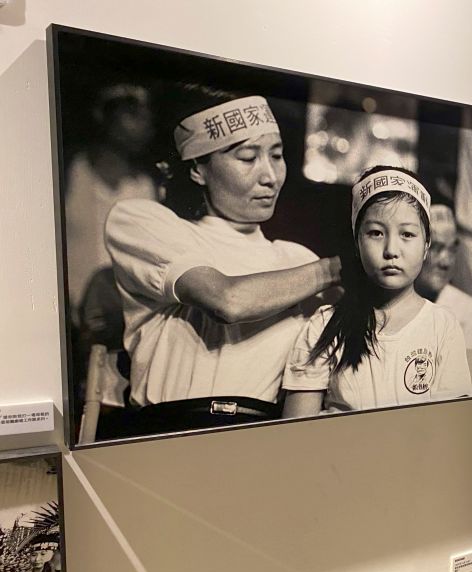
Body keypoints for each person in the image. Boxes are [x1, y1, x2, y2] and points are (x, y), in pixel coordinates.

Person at [105, 87, 343, 436]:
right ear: (198, 169)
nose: (270, 176)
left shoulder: (296, 260)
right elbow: (227, 300)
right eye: (248, 158)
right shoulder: (143, 222)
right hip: (164, 436)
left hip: (259, 439)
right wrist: (337, 269)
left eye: (276, 156)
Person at [282, 166, 472, 414]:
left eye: (407, 234)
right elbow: (297, 437)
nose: (391, 249)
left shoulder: (443, 327)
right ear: (356, 241)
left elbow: (451, 426)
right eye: (376, 233)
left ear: (426, 246)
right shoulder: (323, 327)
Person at [66, 83, 158, 351]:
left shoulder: (144, 186)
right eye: (131, 113)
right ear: (102, 115)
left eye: (146, 116)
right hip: (63, 326)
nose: (143, 123)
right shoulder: (70, 172)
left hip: (119, 329)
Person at [414, 204, 472, 348]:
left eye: (452, 250)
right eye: (436, 248)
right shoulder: (391, 302)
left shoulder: (465, 309)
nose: (446, 262)